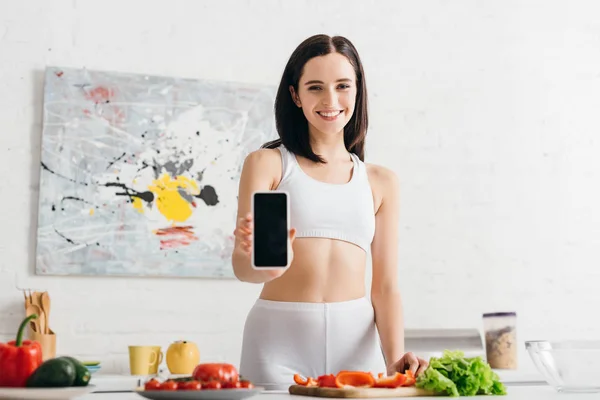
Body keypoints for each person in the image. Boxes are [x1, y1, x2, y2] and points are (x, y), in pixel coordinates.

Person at [232, 34, 428, 390]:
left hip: (358, 351)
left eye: (342, 86)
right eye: (315, 87)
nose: (330, 100)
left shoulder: (381, 182)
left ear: (357, 91)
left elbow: (384, 288)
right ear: (295, 95)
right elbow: (244, 269)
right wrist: (265, 265)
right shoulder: (268, 165)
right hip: (276, 347)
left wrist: (395, 361)